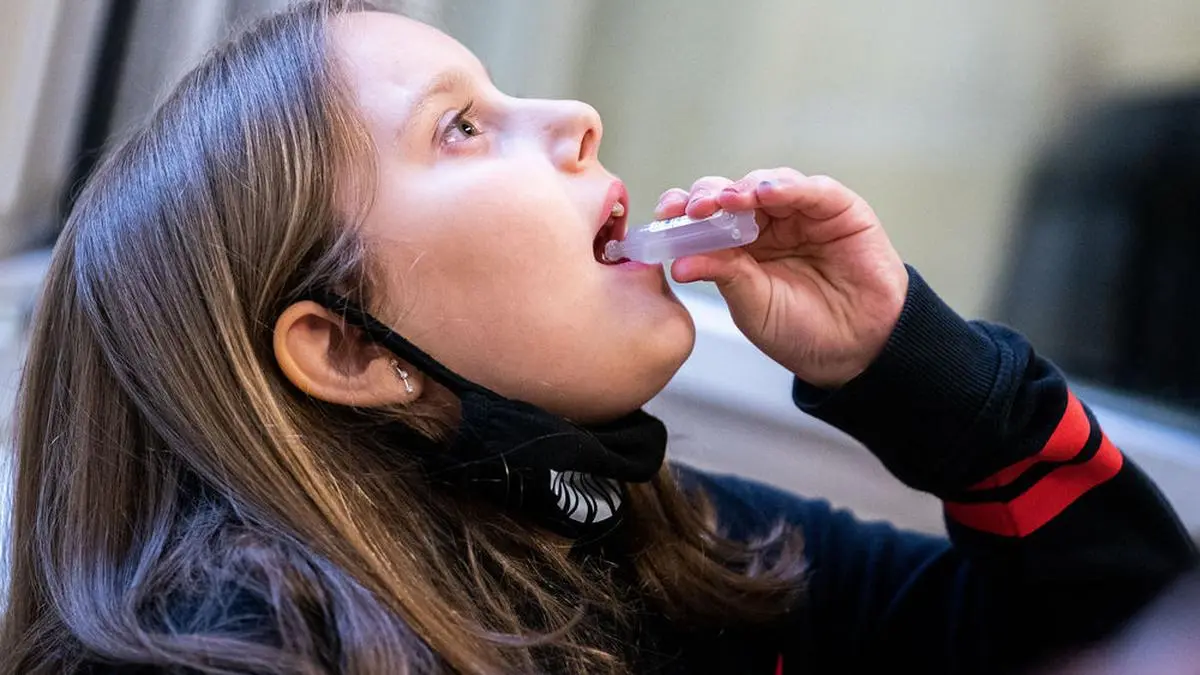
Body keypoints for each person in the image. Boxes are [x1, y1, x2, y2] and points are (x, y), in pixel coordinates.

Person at [0, 1, 1194, 673]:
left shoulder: (672, 538)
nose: (575, 116)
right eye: (461, 128)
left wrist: (910, 364)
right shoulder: (238, 656)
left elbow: (1114, 630)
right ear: (352, 351)